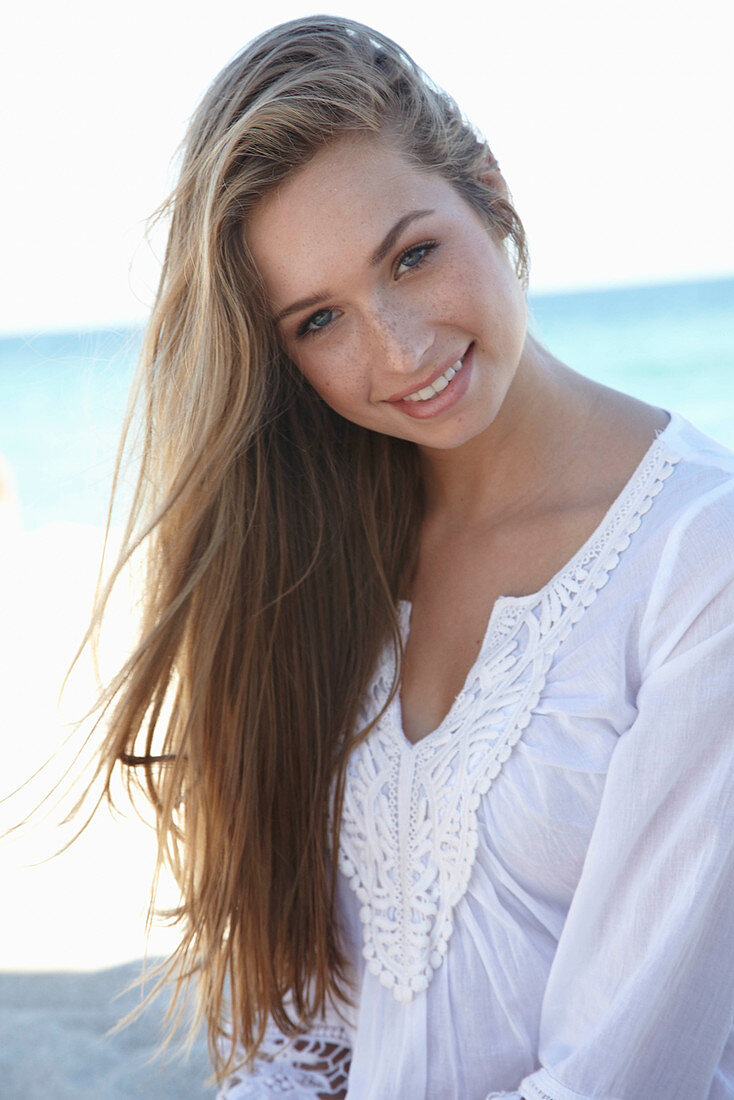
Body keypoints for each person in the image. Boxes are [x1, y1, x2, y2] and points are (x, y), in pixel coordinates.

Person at [85, 15, 734, 1100]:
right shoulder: (314, 562)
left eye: (412, 255)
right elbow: (305, 1039)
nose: (395, 351)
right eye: (320, 319)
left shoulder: (696, 563)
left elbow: (616, 1079)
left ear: (488, 190)